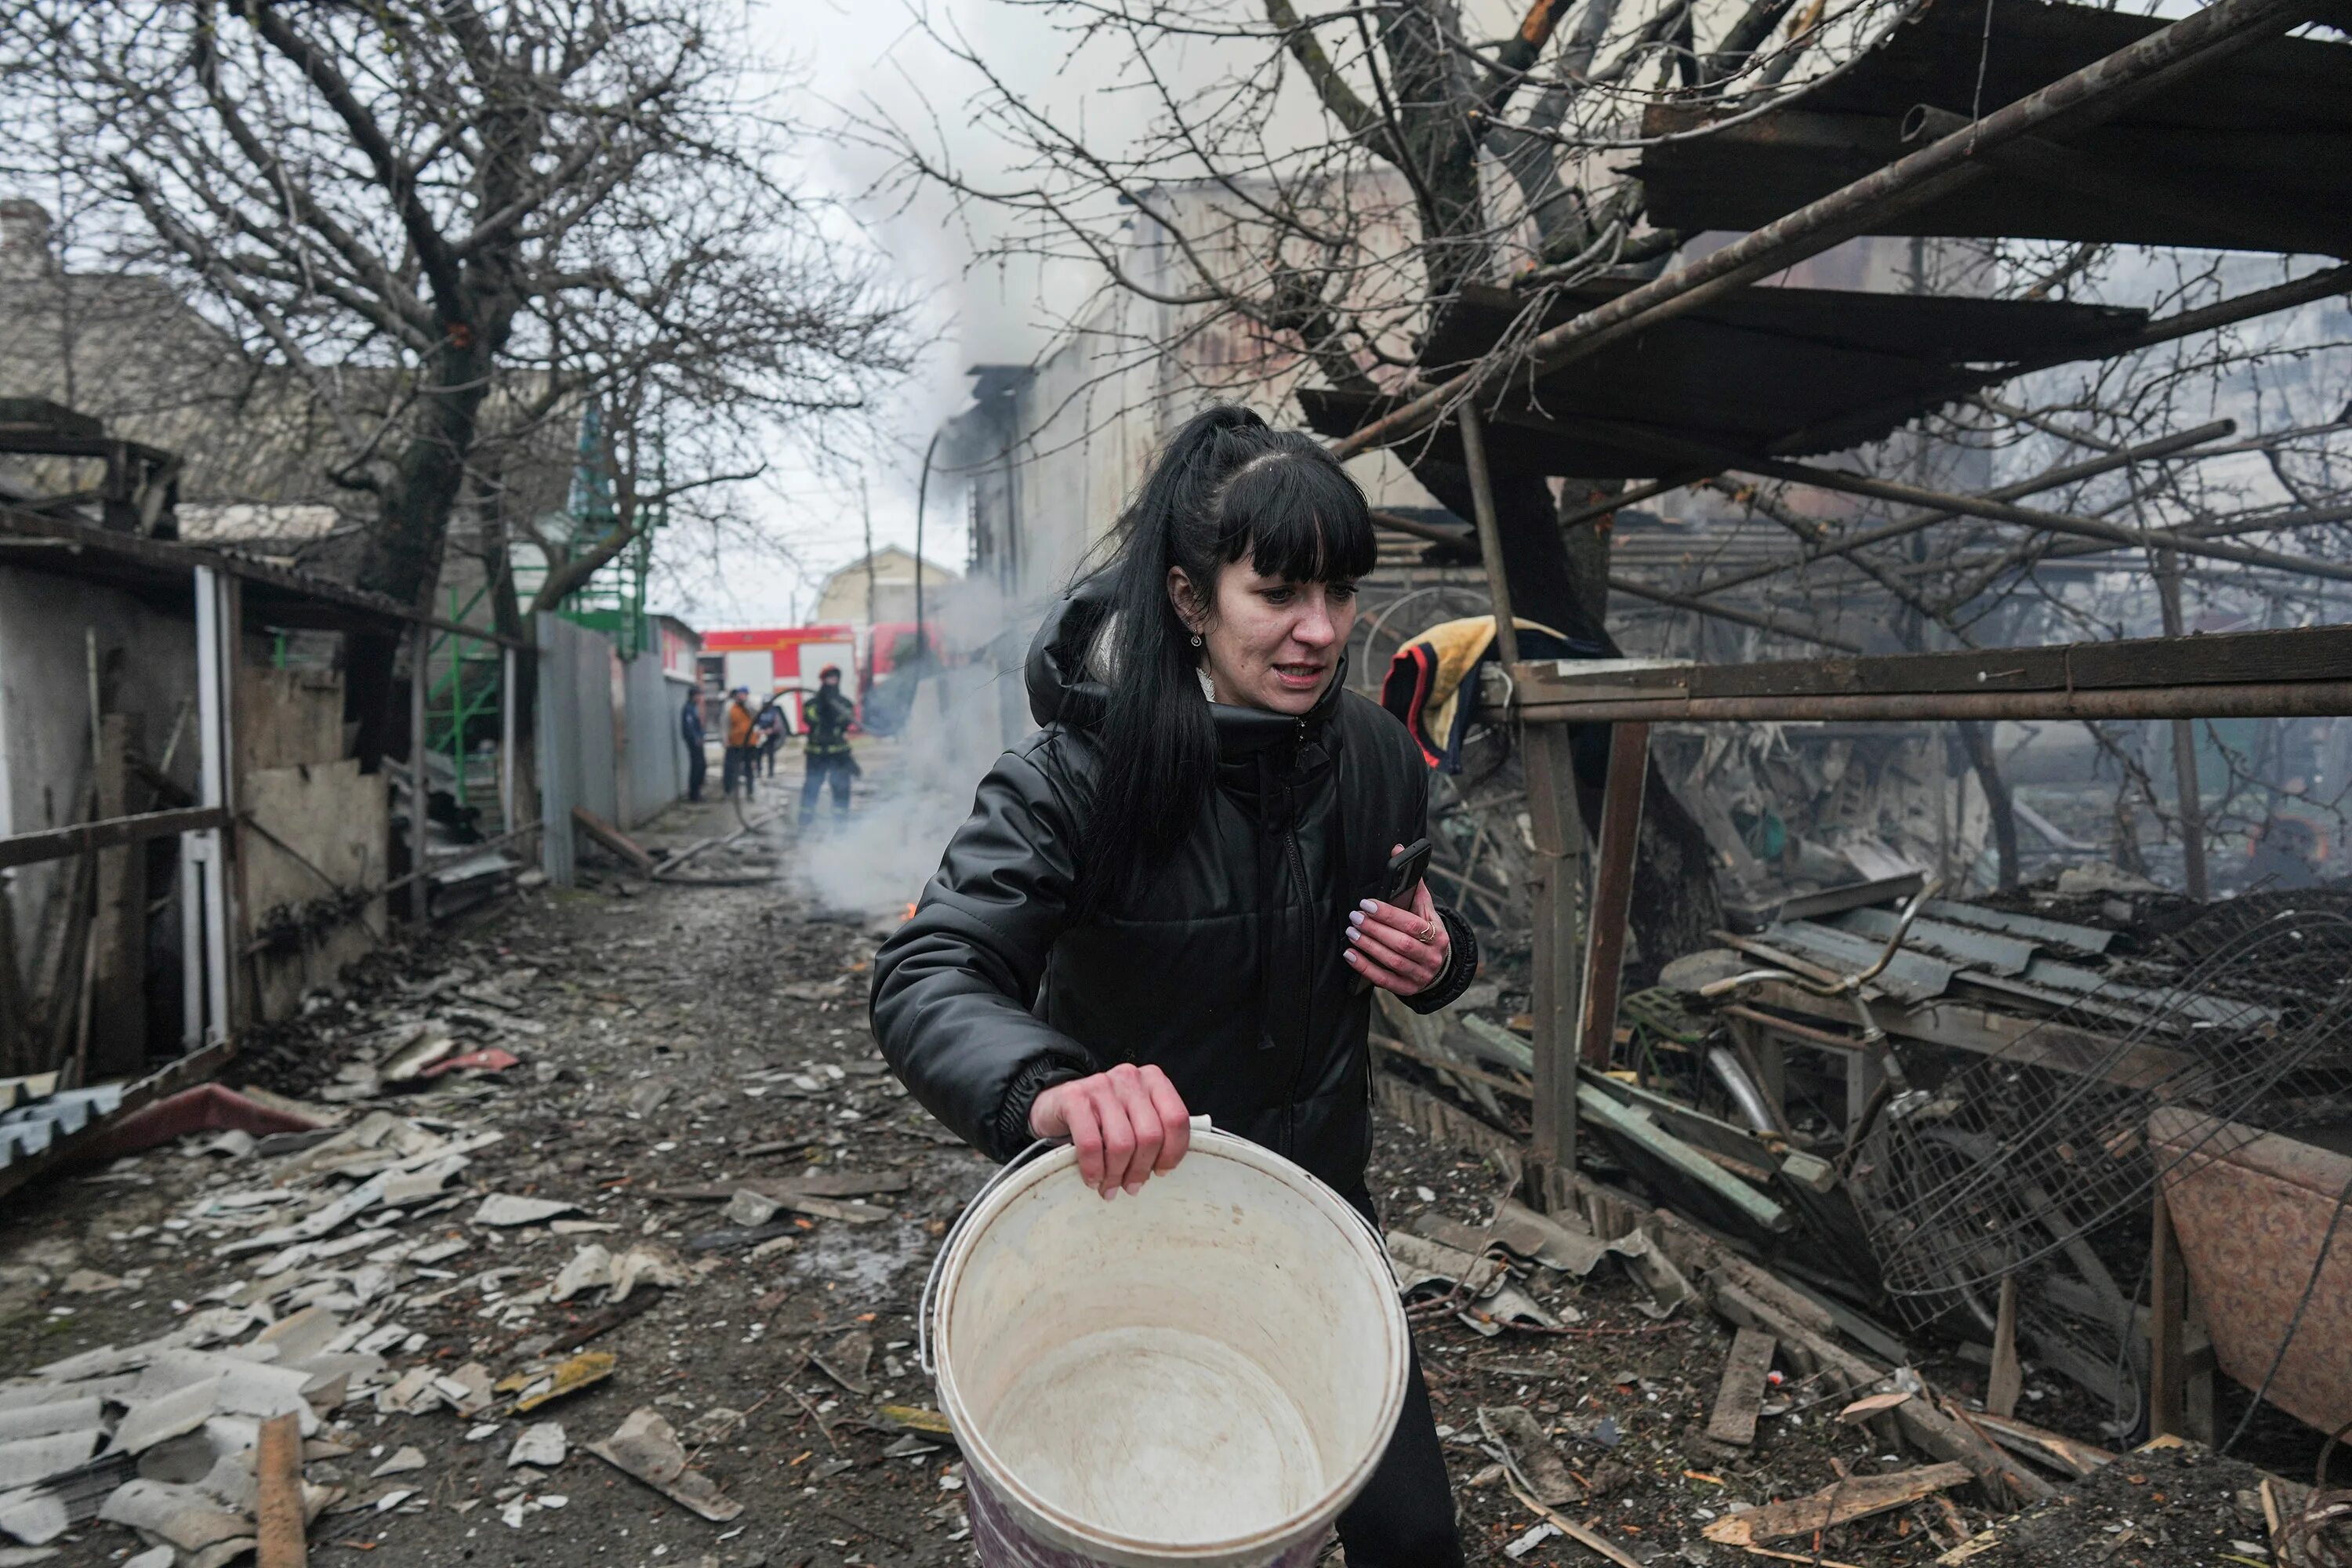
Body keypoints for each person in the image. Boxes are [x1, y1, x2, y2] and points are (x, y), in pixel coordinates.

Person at [872, 405, 1476, 1567]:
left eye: (1340, 593)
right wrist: (1053, 1090)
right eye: (1279, 592)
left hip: (1315, 1234)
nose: (1319, 631)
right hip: (1118, 1232)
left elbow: (1434, 938)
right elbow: (929, 970)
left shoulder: (1378, 760)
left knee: (1412, 1537)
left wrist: (1443, 964)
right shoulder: (1074, 778)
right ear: (1191, 598)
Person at [800, 665, 858, 825]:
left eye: (835, 678)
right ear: (823, 680)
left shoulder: (845, 703)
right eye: (829, 678)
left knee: (841, 789)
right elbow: (810, 719)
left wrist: (836, 713)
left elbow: (846, 722)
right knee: (811, 789)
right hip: (816, 754)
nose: (832, 681)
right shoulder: (812, 703)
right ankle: (804, 825)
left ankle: (841, 828)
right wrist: (824, 708)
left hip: (838, 754)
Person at [722, 685, 760, 800]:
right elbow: (724, 725)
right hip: (735, 744)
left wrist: (747, 703)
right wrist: (725, 739)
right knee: (731, 768)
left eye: (744, 694)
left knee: (750, 769)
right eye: (740, 694)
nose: (741, 696)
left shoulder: (750, 707)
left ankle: (750, 793)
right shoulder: (730, 708)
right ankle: (728, 791)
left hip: (749, 743)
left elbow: (757, 713)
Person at [681, 686, 708, 803]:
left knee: (702, 766)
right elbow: (689, 726)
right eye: (699, 695)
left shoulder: (694, 707)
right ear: (694, 696)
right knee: (697, 766)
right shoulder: (688, 708)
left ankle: (697, 792)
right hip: (694, 742)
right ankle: (694, 794)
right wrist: (696, 738)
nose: (700, 698)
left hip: (698, 740)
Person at [755, 688, 789, 778]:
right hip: (761, 736)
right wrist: (759, 731)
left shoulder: (775, 711)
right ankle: (758, 771)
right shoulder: (760, 712)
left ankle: (771, 772)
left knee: (770, 754)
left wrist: (771, 730)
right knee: (758, 754)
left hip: (771, 736)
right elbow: (755, 723)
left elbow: (779, 725)